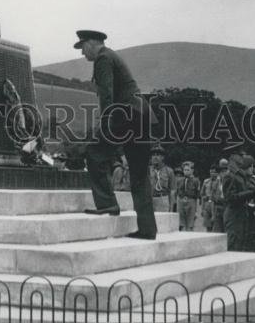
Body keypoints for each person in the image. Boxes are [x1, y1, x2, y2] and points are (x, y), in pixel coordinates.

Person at [73, 29, 157, 240]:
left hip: (125, 115)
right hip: (142, 115)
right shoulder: (111, 56)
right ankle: (147, 229)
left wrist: (106, 125)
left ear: (92, 43)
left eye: (82, 47)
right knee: (139, 174)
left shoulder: (102, 58)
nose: (83, 53)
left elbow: (107, 94)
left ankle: (107, 203)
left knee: (93, 152)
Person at [222, 142, 255, 251]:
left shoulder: (239, 174)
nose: (243, 157)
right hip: (234, 215)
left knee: (241, 245)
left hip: (241, 213)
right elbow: (230, 198)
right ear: (233, 157)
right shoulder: (230, 175)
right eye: (241, 155)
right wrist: (251, 193)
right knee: (233, 246)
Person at [149, 146, 176, 213]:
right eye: (153, 155)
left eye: (158, 155)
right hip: (150, 200)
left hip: (163, 199)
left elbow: (172, 191)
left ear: (162, 157)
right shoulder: (148, 171)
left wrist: (171, 208)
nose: (155, 157)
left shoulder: (169, 171)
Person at [176, 160, 200, 231]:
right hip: (181, 201)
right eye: (184, 170)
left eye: (188, 170)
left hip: (191, 201)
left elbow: (197, 196)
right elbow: (178, 193)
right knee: (181, 223)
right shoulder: (179, 180)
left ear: (192, 170)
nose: (186, 171)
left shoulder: (196, 181)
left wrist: (196, 210)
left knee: (190, 224)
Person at [212, 158, 229, 232]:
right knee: (217, 230)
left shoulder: (230, 183)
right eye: (221, 172)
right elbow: (212, 199)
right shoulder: (215, 183)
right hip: (218, 208)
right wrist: (213, 214)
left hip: (227, 207)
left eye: (225, 171)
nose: (223, 174)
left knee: (226, 229)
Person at [200, 165, 219, 231]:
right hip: (207, 204)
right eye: (211, 172)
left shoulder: (219, 181)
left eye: (214, 172)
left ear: (217, 173)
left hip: (215, 204)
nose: (212, 174)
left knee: (216, 225)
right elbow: (202, 195)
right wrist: (202, 209)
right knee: (207, 225)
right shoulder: (206, 181)